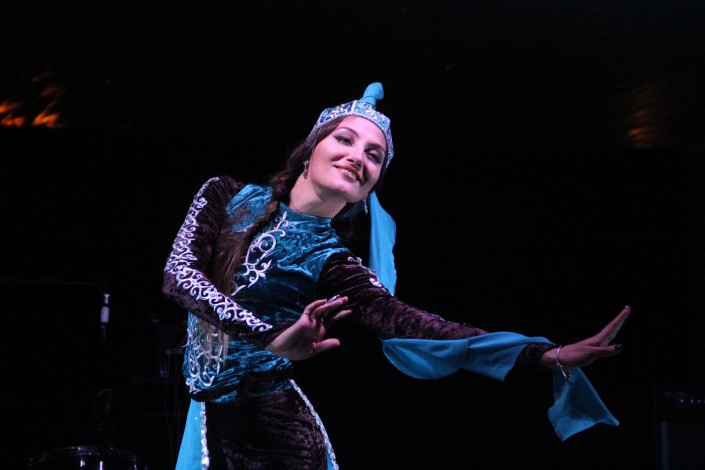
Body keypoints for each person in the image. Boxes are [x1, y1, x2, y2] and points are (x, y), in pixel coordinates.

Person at [162, 82, 631, 469]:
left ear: (371, 185)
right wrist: (270, 336)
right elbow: (179, 275)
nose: (357, 157)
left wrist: (541, 354)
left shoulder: (334, 262)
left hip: (275, 439)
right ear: (310, 150)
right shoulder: (225, 194)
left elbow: (415, 324)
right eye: (344, 140)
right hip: (208, 420)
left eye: (374, 155)